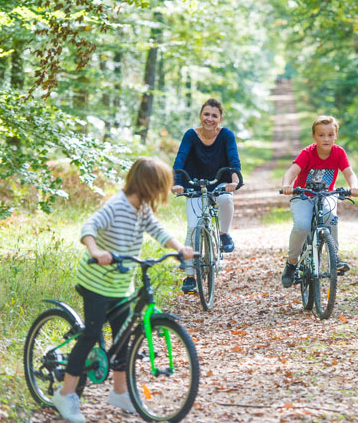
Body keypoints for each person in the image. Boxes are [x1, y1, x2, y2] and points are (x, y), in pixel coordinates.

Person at [52, 157, 194, 423]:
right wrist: (96, 250)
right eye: (160, 186)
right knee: (92, 333)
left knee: (122, 336)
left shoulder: (141, 209)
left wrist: (179, 247)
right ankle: (65, 394)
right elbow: (89, 226)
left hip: (120, 285)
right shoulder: (116, 205)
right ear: (148, 185)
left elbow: (159, 231)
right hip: (96, 282)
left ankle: (119, 391)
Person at [280, 115, 358, 288]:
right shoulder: (308, 153)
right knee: (302, 226)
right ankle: (292, 263)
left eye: (330, 134)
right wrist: (287, 185)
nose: (326, 139)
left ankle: (335, 257)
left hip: (325, 195)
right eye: (321, 135)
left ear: (336, 136)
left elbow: (349, 173)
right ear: (314, 136)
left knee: (331, 217)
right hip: (303, 195)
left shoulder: (338, 152)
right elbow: (291, 172)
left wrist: (353, 186)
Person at [172, 98, 241, 293]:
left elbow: (233, 159)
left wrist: (234, 180)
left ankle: (224, 234)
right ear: (200, 115)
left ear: (220, 118)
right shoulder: (191, 135)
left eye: (214, 115)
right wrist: (176, 183)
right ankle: (190, 276)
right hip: (194, 182)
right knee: (192, 227)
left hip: (220, 182)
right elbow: (180, 160)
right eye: (206, 114)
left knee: (226, 199)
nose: (209, 119)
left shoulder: (226, 135)